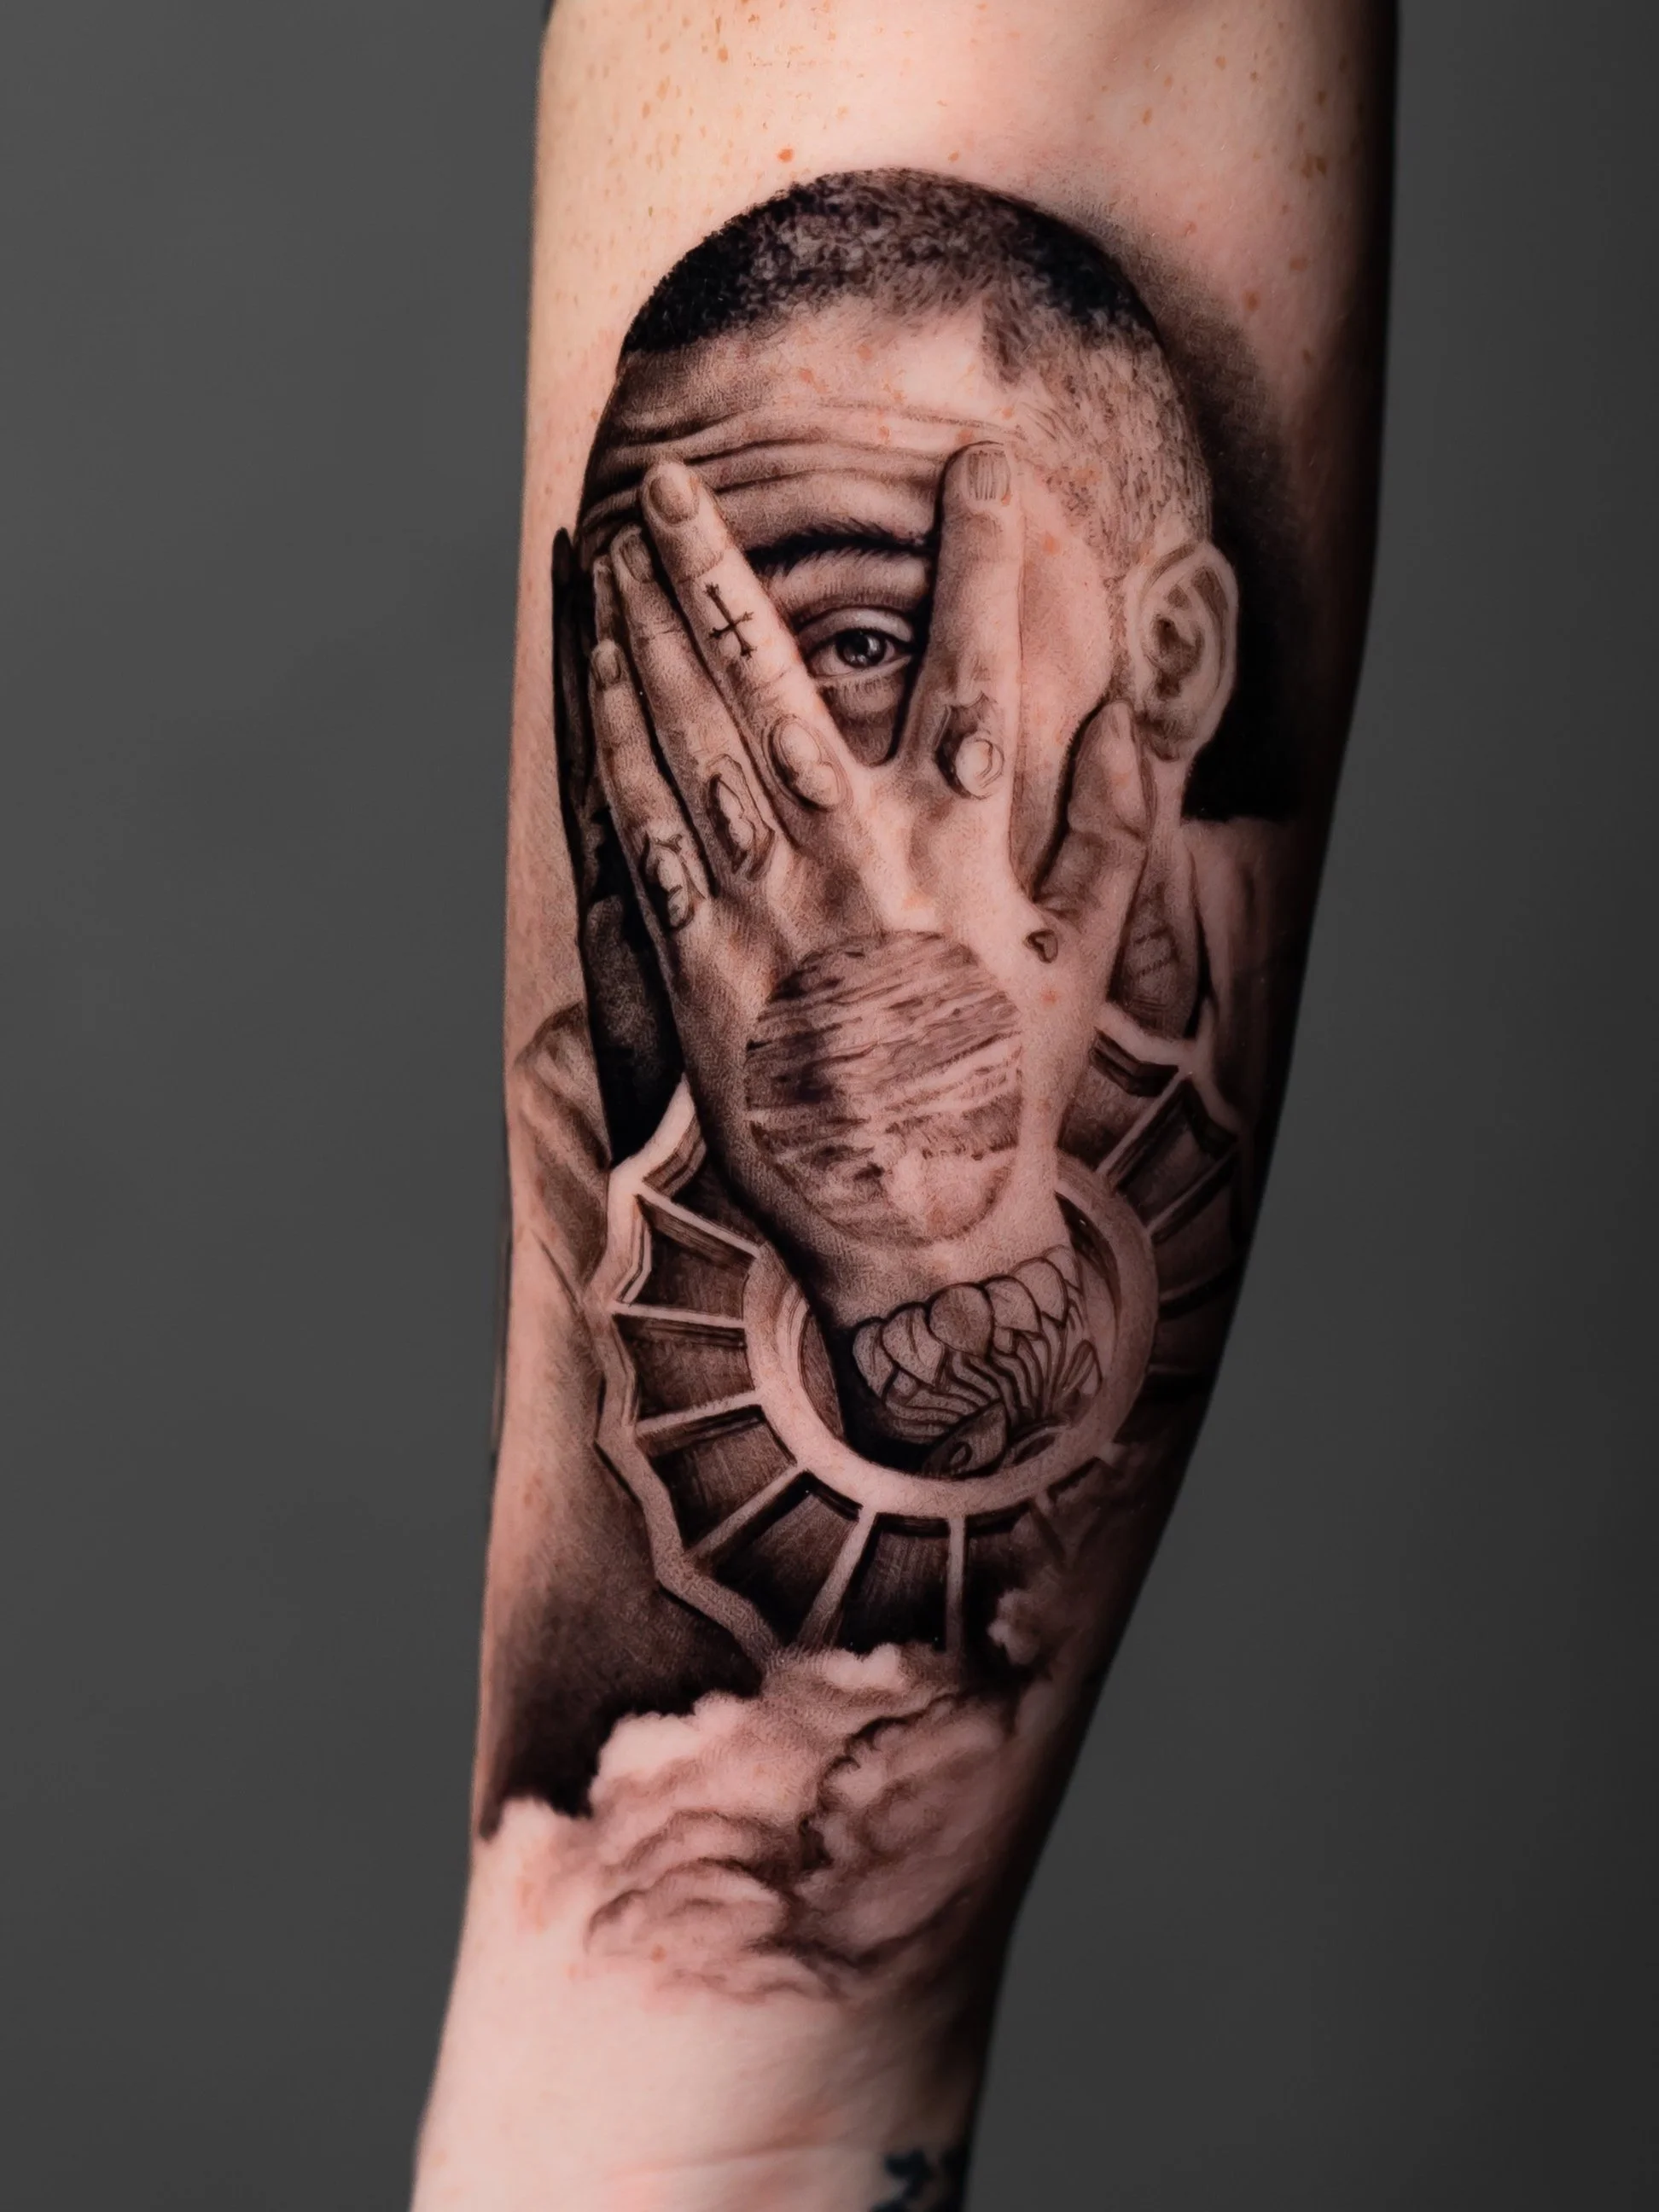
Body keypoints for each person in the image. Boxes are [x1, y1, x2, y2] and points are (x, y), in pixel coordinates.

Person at [416, 7, 1392, 2208]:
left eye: (850, 649)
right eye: (652, 678)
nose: (737, 799)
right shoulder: (624, 1108)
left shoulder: (1180, 958)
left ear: (1165, 667)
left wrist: (947, 1249)